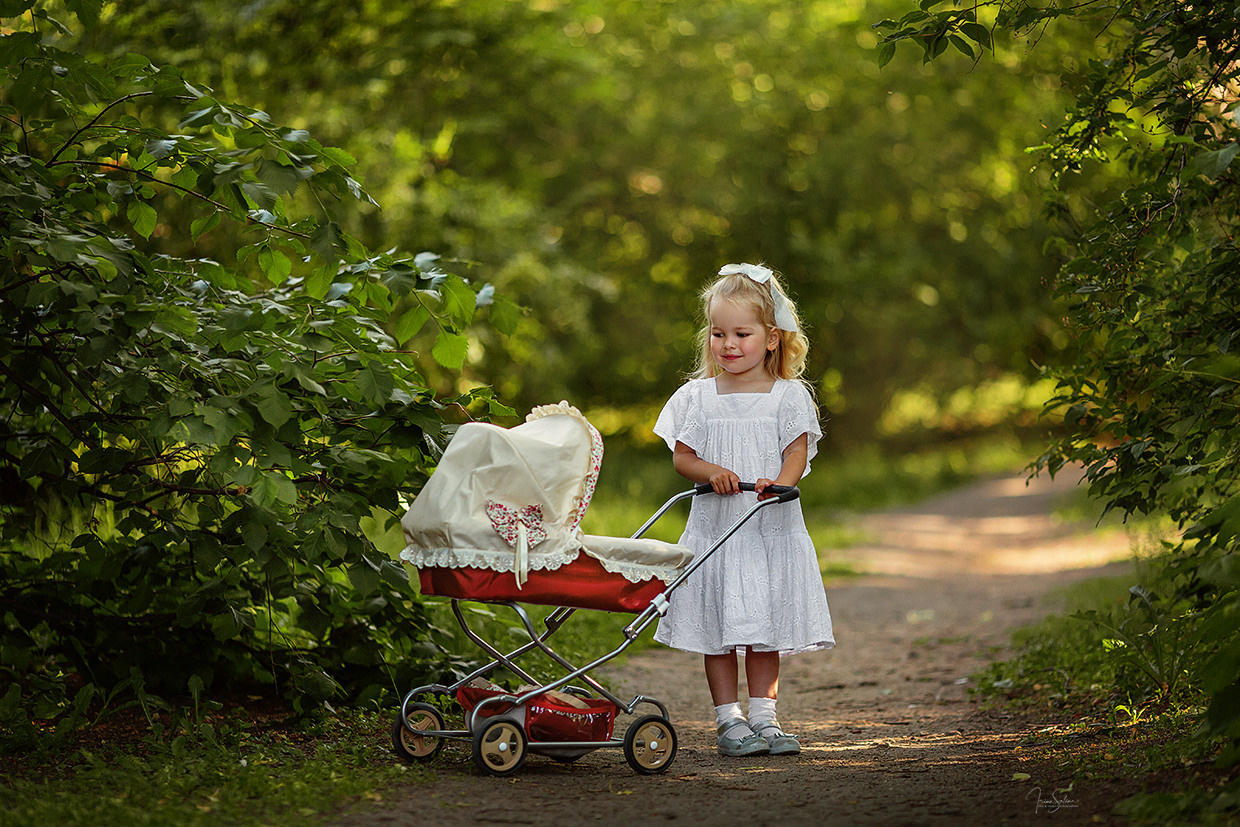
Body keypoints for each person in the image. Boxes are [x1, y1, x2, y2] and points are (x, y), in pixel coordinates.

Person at [652, 262, 834, 757]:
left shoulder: (787, 396)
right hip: (717, 528)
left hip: (767, 523)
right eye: (718, 333)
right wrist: (711, 470)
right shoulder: (698, 397)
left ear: (772, 338)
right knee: (717, 628)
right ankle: (728, 720)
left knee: (763, 626)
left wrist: (782, 483)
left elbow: (796, 451)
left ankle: (766, 718)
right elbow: (682, 457)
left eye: (741, 333)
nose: (728, 344)